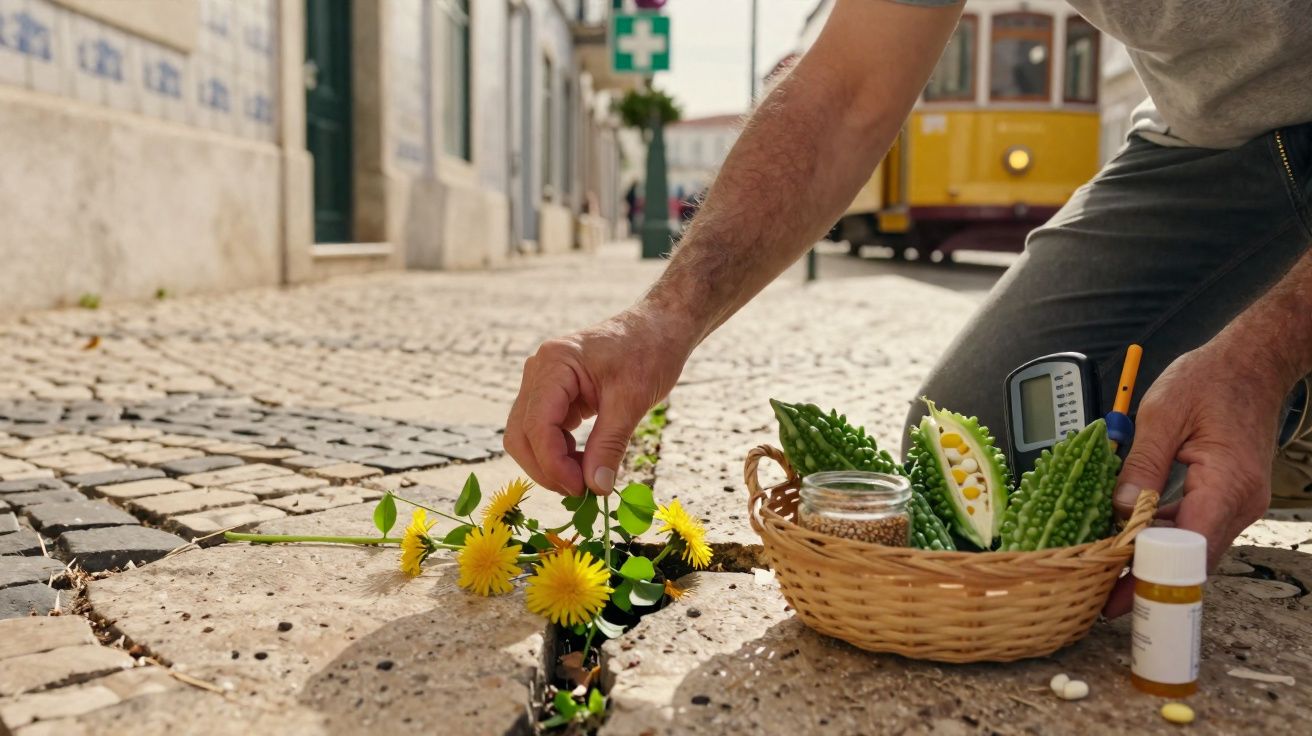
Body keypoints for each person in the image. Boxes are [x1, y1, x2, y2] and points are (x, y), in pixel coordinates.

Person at [504, 0, 1312, 616]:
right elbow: (847, 90)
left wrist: (1264, 353)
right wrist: (660, 321)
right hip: (1213, 141)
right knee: (976, 448)